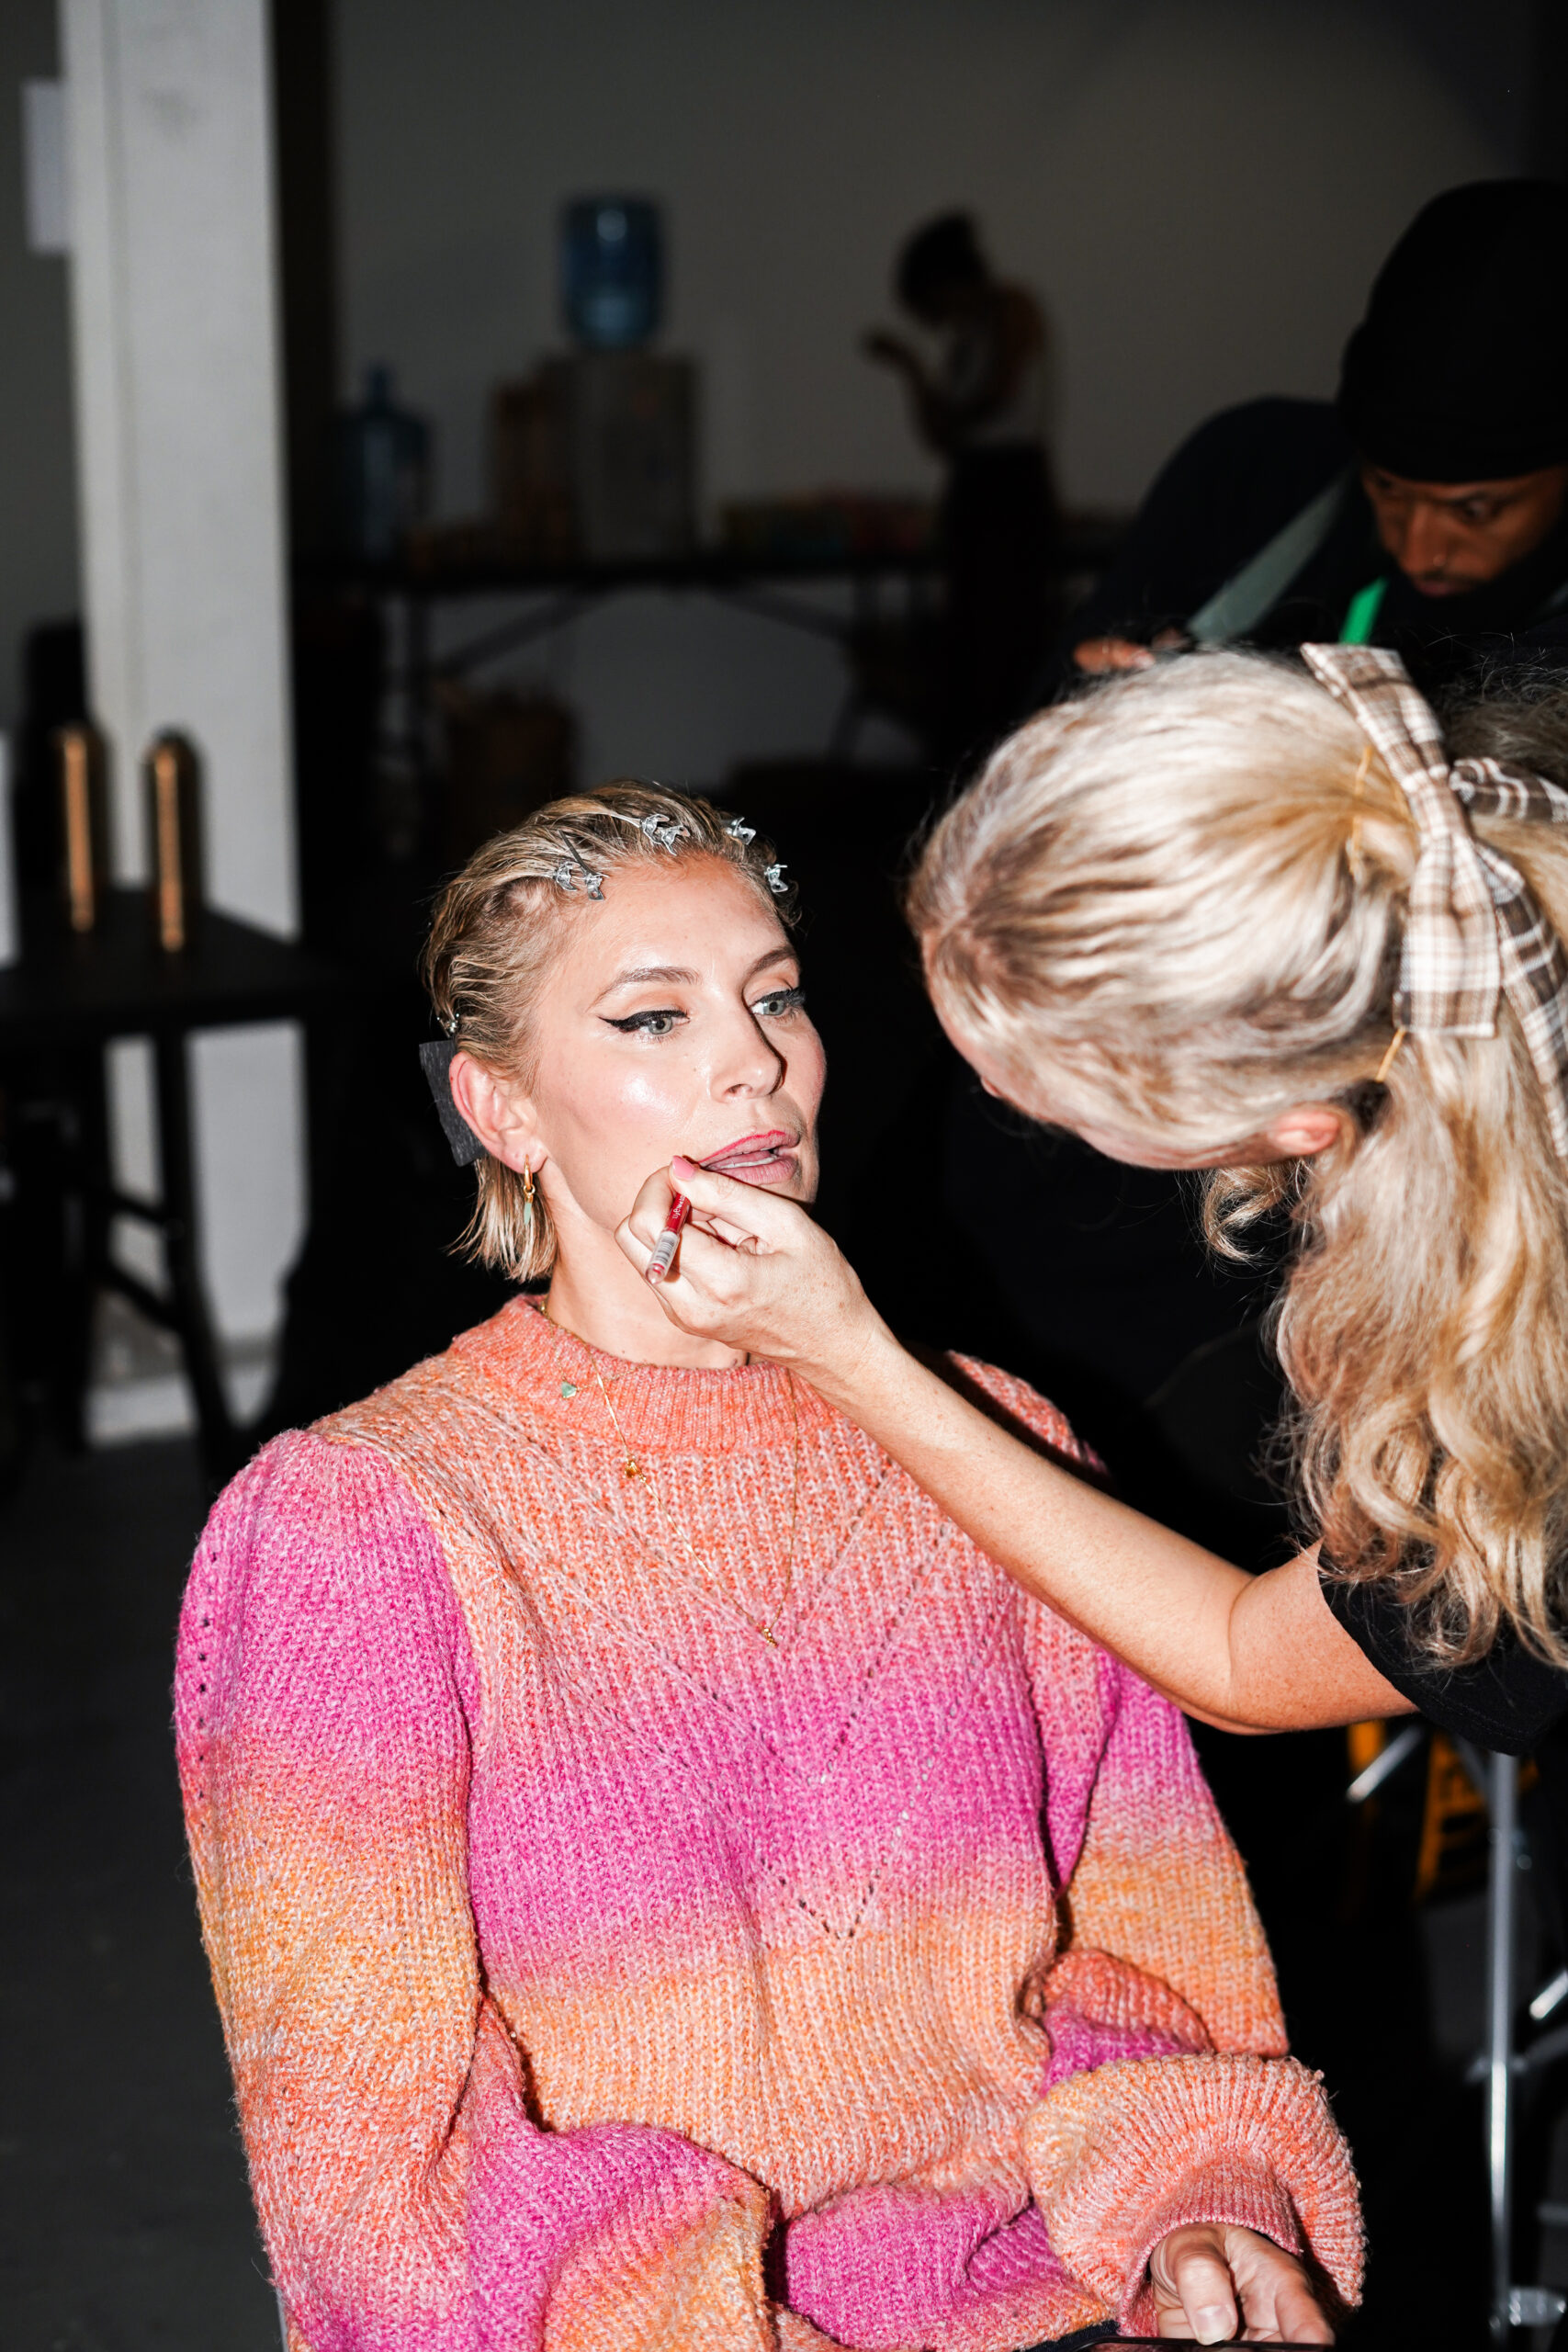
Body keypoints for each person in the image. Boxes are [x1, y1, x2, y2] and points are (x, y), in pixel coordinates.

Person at [175, 785, 1359, 2351]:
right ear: (502, 1110)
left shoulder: (995, 1446)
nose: (754, 1059)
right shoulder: (354, 1528)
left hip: (1048, 2291)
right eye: (651, 1019)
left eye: (775, 996)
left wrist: (1195, 2201)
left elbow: (1148, 1938)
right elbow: (373, 2179)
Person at [615, 654, 1568, 1805]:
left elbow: (1244, 1662)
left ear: (1294, 1128)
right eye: (650, 1017)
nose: (758, 1065)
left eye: (1042, 1093)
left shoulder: (1535, 1394)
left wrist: (846, 1353)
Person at [1064, 181, 1568, 695]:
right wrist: (1088, 698)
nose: (1417, 554)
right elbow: (1070, 671)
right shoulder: (1248, 472)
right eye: (1386, 487)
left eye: (1475, 511)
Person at [866, 211, 1057, 761]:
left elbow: (996, 397)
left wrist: (942, 403)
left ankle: (1012, 757)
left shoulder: (1012, 308)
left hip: (1011, 486)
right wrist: (912, 370)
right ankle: (972, 756)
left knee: (1009, 635)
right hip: (977, 485)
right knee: (971, 639)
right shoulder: (964, 338)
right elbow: (944, 436)